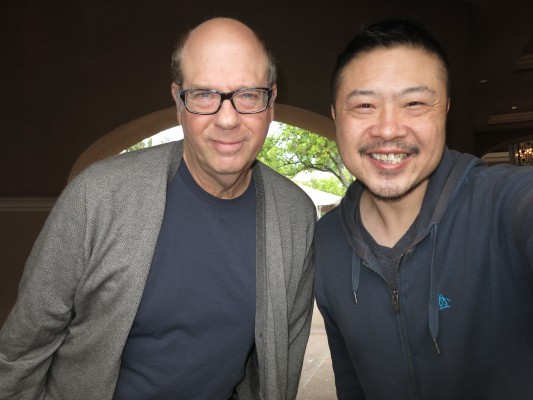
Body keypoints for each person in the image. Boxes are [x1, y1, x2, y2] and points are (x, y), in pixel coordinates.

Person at [0, 17, 316, 400]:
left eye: (248, 94)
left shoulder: (295, 216)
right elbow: (21, 353)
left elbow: (278, 369)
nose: (228, 118)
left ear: (271, 102)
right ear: (178, 101)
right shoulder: (97, 196)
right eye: (204, 94)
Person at [314, 18, 533, 400]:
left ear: (445, 108)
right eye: (364, 105)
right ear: (336, 115)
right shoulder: (325, 241)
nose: (388, 129)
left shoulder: (505, 205)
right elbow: (351, 383)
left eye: (414, 103)